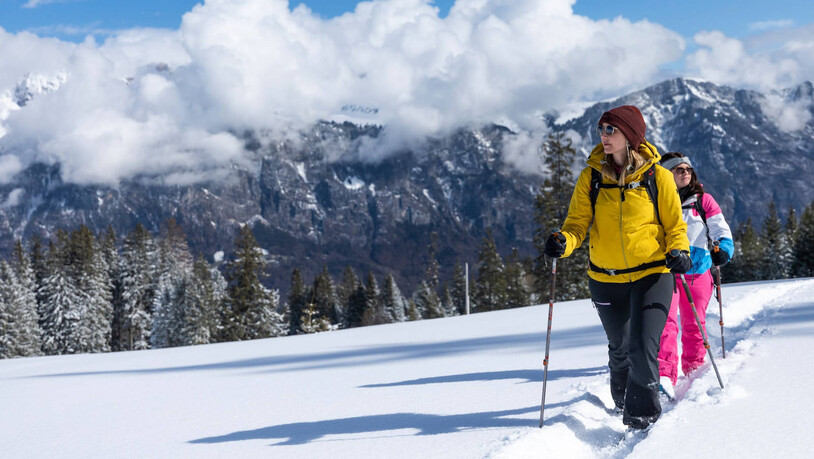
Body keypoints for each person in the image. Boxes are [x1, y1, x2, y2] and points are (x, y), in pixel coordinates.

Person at [543, 105, 690, 429]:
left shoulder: (659, 178)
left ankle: (644, 419)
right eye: (601, 129)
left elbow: (675, 227)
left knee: (642, 346)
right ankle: (623, 397)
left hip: (653, 274)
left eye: (611, 130)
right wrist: (563, 242)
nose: (604, 136)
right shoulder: (591, 177)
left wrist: (679, 252)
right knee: (621, 347)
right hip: (605, 278)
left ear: (631, 136)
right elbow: (577, 226)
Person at [656, 152, 734, 399]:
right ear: (667, 174)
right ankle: (665, 377)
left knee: (694, 325)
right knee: (666, 326)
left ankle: (693, 371)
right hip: (666, 273)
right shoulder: (656, 199)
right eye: (678, 169)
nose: (685, 173)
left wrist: (724, 250)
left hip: (697, 271)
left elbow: (721, 229)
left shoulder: (703, 201)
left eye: (687, 169)